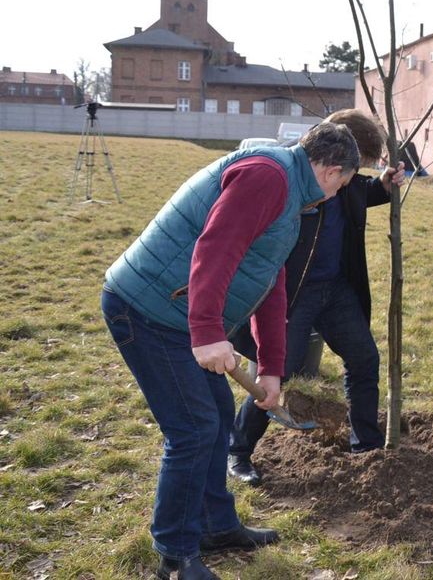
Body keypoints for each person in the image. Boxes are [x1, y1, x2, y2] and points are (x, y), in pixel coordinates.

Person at [101, 123, 360, 580]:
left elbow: (271, 284)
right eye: (341, 184)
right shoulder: (268, 176)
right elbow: (215, 248)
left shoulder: (290, 198)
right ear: (331, 169)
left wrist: (273, 369)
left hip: (176, 311)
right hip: (147, 308)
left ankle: (216, 527)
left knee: (217, 416)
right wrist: (206, 332)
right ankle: (176, 556)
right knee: (194, 428)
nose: (336, 195)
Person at [228, 110, 405, 486]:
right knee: (277, 369)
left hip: (336, 289)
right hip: (293, 293)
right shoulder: (299, 178)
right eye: (355, 168)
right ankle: (238, 449)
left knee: (363, 358)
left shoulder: (348, 179)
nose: (356, 176)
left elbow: (358, 194)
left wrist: (385, 186)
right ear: (336, 161)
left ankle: (365, 447)